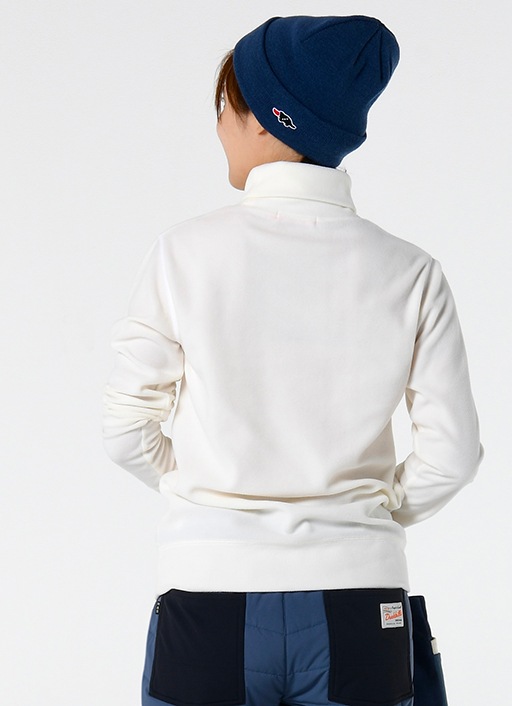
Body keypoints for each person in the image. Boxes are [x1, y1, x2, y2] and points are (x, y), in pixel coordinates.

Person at [102, 14, 484, 706]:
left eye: (226, 105)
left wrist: (206, 494)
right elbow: (453, 456)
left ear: (265, 119)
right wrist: (367, 515)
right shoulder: (410, 272)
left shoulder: (183, 254)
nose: (219, 124)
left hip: (208, 600)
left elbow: (126, 431)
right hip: (360, 604)